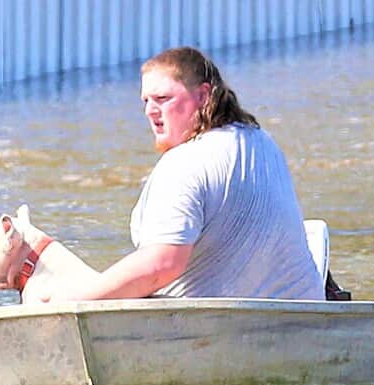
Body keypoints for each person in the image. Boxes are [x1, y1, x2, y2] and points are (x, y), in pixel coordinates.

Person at [41, 46, 323, 301]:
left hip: (223, 328)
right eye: (146, 101)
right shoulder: (262, 140)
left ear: (203, 95)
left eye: (162, 98)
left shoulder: (185, 162)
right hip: (306, 317)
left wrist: (75, 300)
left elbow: (162, 264)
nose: (150, 111)